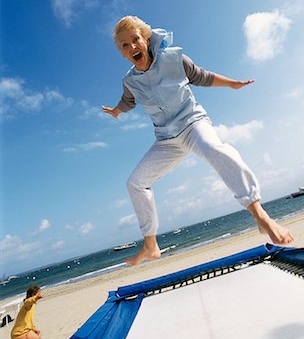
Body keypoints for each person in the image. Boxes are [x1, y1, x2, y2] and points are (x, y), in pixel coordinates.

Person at [102, 16, 293, 266]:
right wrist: (117, 111)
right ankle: (151, 246)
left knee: (214, 149)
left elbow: (202, 76)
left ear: (146, 39)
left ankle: (261, 216)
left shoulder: (173, 60)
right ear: (122, 52)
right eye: (125, 45)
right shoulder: (129, 82)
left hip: (193, 124)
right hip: (166, 140)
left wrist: (231, 84)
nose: (132, 47)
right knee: (135, 183)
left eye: (135, 40)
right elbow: (128, 101)